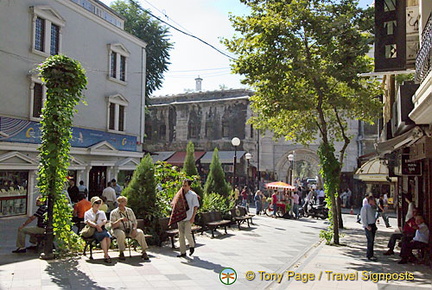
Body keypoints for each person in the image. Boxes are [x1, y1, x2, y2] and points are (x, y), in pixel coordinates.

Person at [110, 196, 150, 261]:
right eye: (119, 202)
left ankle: (144, 251)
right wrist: (119, 220)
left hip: (130, 229)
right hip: (118, 229)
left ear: (125, 203)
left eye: (122, 201)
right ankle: (121, 252)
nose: (120, 203)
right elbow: (112, 226)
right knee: (121, 234)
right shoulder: (114, 212)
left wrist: (134, 229)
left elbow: (135, 222)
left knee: (140, 232)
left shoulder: (129, 211)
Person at [169, 179, 199, 257]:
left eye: (185, 185)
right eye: (183, 185)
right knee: (181, 235)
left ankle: (191, 246)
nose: (183, 187)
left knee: (187, 233)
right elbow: (175, 202)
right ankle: (183, 252)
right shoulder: (180, 194)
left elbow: (196, 206)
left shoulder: (193, 195)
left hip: (188, 217)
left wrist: (193, 217)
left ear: (189, 186)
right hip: (181, 217)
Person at [84, 196, 112, 263]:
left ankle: (106, 254)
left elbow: (105, 220)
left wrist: (100, 225)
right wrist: (96, 226)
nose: (98, 204)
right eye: (96, 203)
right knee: (104, 237)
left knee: (108, 237)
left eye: (99, 203)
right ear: (93, 204)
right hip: (93, 230)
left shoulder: (101, 212)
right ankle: (106, 255)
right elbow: (88, 221)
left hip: (102, 228)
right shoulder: (88, 213)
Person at [361, 195, 378, 261]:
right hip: (368, 225)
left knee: (372, 241)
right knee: (370, 240)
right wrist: (366, 225)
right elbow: (363, 217)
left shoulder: (372, 208)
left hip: (373, 224)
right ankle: (369, 255)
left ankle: (371, 254)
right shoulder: (365, 207)